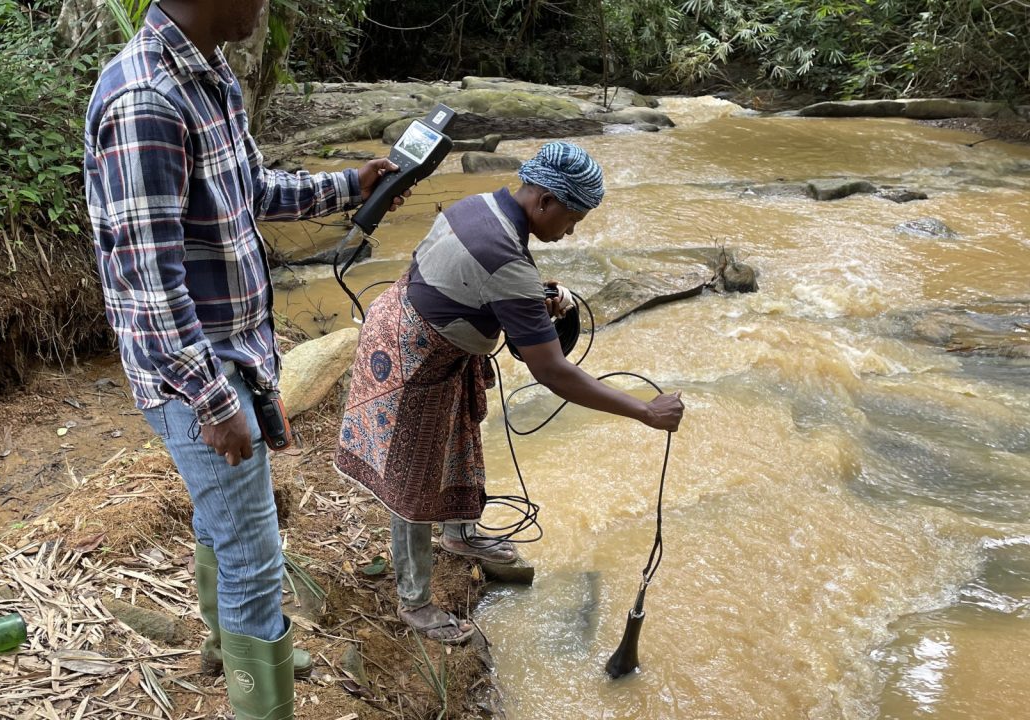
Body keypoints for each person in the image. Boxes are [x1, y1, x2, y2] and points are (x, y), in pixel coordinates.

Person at [83, 1, 405, 717]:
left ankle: (221, 653)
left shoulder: (210, 73)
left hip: (227, 352)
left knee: (223, 526)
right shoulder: (148, 101)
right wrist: (214, 401)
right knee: (256, 565)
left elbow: (249, 191)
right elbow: (150, 282)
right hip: (193, 368)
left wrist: (349, 185)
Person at [334, 141, 685, 644]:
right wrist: (645, 411)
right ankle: (415, 603)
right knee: (411, 478)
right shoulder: (508, 263)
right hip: (414, 360)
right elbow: (553, 371)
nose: (570, 233)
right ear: (545, 201)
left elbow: (475, 277)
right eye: (573, 219)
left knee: (457, 439)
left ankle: (459, 534)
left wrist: (535, 296)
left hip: (412, 329)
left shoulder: (479, 206)